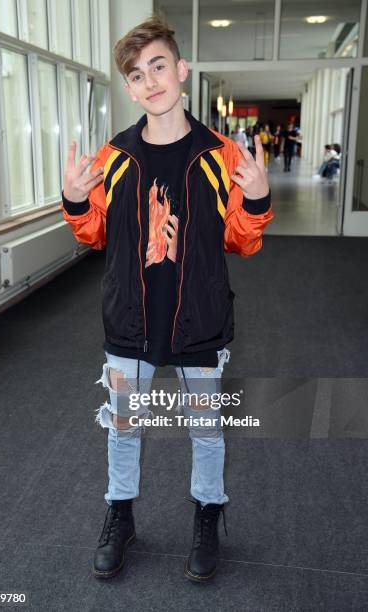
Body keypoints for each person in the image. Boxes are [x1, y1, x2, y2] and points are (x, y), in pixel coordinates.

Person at [61, 15, 273, 583]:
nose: (150, 81)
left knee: (205, 428)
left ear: (180, 70)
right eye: (136, 74)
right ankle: (121, 513)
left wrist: (255, 200)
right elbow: (93, 233)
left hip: (199, 322)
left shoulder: (222, 156)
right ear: (128, 88)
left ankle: (207, 513)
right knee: (124, 425)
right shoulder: (113, 158)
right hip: (128, 322)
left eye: (158, 66)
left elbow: (242, 240)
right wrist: (75, 201)